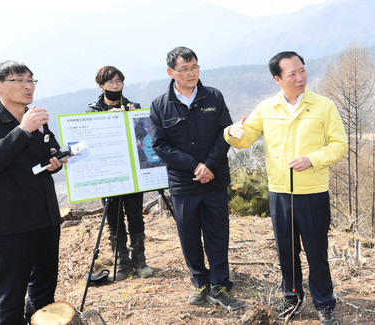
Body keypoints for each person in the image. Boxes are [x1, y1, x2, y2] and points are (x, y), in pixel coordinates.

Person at [225, 51, 347, 325]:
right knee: (286, 250)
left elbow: (339, 145)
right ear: (278, 79)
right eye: (292, 74)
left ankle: (324, 303)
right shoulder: (267, 109)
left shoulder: (324, 106)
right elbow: (245, 139)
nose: (300, 77)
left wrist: (313, 159)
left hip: (313, 193)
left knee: (317, 251)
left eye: (302, 70)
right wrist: (230, 133)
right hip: (280, 193)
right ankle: (291, 297)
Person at [149, 46, 242, 311]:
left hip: (214, 179)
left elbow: (227, 133)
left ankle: (220, 283)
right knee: (188, 235)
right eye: (185, 69)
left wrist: (209, 165)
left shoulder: (213, 96)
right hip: (183, 184)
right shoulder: (160, 105)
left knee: (217, 234)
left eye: (195, 67)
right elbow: (160, 146)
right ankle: (200, 282)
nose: (192, 73)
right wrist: (195, 166)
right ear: (171, 72)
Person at [0, 60, 68, 324]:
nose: (27, 86)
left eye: (31, 80)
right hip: (11, 223)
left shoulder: (36, 117)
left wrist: (55, 161)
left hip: (45, 216)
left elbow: (47, 154)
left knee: (43, 291)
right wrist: (22, 130)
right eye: (19, 80)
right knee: (11, 294)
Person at [86, 66, 153, 280]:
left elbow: (145, 139)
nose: (115, 86)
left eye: (119, 82)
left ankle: (140, 261)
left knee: (135, 217)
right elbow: (90, 143)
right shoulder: (93, 111)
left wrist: (135, 119)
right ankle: (122, 264)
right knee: (113, 220)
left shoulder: (133, 106)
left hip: (131, 172)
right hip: (109, 175)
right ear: (101, 86)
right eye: (110, 83)